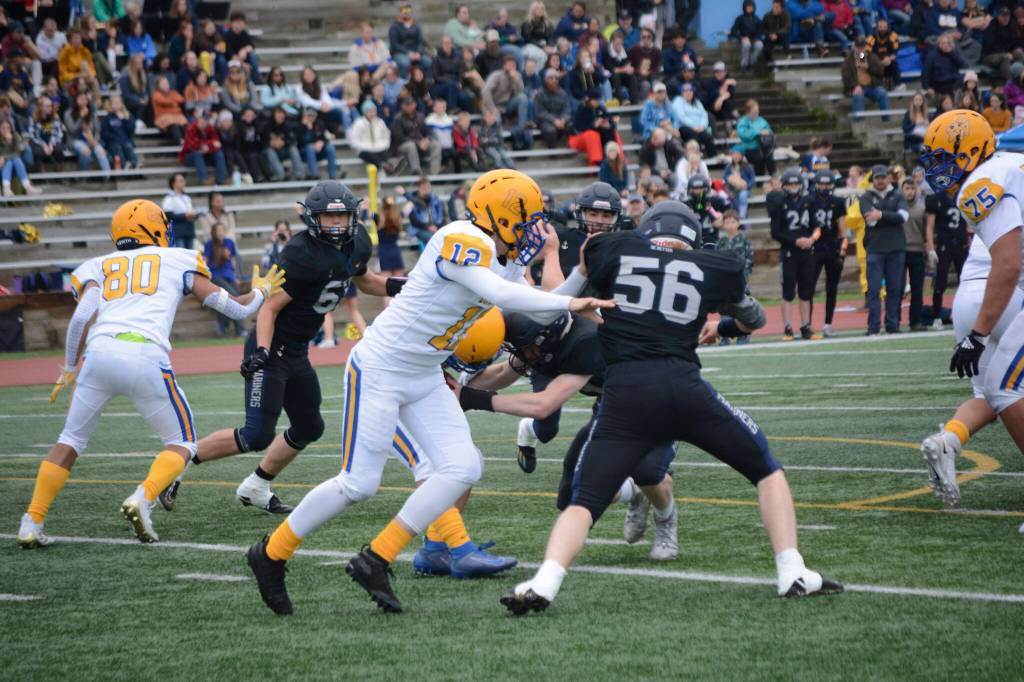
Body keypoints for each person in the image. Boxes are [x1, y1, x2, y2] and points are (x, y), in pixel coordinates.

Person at [244, 170, 613, 615]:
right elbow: (503, 294)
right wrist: (573, 301)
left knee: (463, 466)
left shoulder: (499, 254)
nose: (534, 227)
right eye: (527, 217)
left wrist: (575, 281)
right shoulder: (459, 237)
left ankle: (376, 557)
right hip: (380, 367)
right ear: (500, 212)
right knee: (358, 483)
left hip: (422, 373)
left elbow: (527, 303)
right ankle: (270, 553)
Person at [500, 200, 842, 615]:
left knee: (584, 500)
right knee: (766, 469)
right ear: (693, 237)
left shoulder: (614, 248)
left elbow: (563, 298)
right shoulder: (714, 263)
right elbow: (752, 317)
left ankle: (545, 581)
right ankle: (792, 570)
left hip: (624, 395)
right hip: (684, 389)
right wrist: (727, 322)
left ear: (647, 230)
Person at [15, 199, 282, 549]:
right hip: (144, 354)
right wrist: (261, 291)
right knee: (183, 443)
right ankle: (143, 498)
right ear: (153, 228)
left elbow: (81, 318)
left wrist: (69, 367)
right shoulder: (177, 259)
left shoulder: (99, 265)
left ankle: (31, 522)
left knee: (70, 441)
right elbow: (235, 308)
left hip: (97, 354)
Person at [162, 182, 393, 516]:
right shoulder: (301, 253)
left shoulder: (357, 243)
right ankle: (175, 465)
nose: (338, 224)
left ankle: (256, 485)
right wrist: (262, 352)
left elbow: (366, 279)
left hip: (297, 351)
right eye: (330, 218)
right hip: (270, 349)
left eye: (343, 216)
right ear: (314, 220)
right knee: (256, 433)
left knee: (310, 426)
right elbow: (269, 309)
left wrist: (403, 286)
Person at [461, 309, 680, 559]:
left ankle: (666, 519)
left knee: (648, 471)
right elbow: (502, 373)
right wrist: (457, 387)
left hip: (658, 395)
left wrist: (473, 399)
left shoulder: (585, 341)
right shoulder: (541, 346)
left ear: (548, 335)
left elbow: (544, 405)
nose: (527, 354)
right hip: (613, 406)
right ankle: (636, 492)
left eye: (529, 347)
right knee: (572, 496)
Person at [918, 110, 1024, 517]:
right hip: (998, 291)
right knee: (1003, 387)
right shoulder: (1003, 166)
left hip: (987, 291)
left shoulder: (980, 183)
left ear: (974, 151)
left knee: (1003, 388)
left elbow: (1009, 265)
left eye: (948, 158)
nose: (940, 169)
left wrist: (977, 335)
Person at [772, 168, 822, 340]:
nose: (793, 186)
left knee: (806, 291)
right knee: (788, 291)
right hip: (789, 253)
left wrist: (812, 239)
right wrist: (794, 241)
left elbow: (817, 228)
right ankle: (787, 327)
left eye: (796, 183)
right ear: (784, 185)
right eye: (790, 184)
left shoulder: (809, 201)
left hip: (807, 252)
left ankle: (806, 326)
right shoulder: (779, 203)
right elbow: (775, 232)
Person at [860, 164, 909, 335]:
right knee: (873, 289)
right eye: (877, 178)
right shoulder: (866, 197)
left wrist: (881, 214)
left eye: (883, 177)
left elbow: (903, 217)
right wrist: (890, 216)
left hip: (896, 248)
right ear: (872, 179)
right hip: (875, 248)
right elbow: (870, 220)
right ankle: (873, 326)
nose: (880, 180)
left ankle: (892, 324)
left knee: (895, 288)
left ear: (888, 178)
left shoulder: (897, 195)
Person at [810, 171, 848, 337]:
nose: (824, 187)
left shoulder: (838, 202)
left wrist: (842, 251)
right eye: (821, 184)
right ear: (816, 184)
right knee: (808, 289)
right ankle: (807, 324)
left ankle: (828, 324)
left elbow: (842, 230)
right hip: (814, 249)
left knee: (832, 289)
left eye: (827, 184)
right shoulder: (809, 201)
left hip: (832, 248)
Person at [925, 185, 968, 330]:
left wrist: (970, 241)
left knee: (966, 282)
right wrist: (931, 248)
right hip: (945, 244)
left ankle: (963, 316)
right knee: (940, 282)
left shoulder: (963, 195)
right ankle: (937, 317)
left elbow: (967, 222)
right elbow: (930, 226)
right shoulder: (936, 199)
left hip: (961, 244)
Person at [204, 221, 245, 336]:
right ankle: (239, 330)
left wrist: (235, 276)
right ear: (214, 232)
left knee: (230, 299)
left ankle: (224, 325)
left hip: (229, 275)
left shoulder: (229, 242)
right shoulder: (210, 244)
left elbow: (233, 261)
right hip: (216, 276)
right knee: (234, 297)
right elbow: (205, 261)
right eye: (219, 230)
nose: (221, 232)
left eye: (223, 230)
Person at [389, 97, 442, 176]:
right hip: (402, 145)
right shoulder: (398, 119)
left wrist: (427, 139)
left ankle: (435, 173)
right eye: (407, 105)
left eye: (411, 104)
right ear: (403, 106)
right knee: (411, 145)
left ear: (415, 105)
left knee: (436, 144)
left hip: (421, 143)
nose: (409, 107)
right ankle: (416, 172)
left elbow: (429, 131)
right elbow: (399, 137)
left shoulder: (420, 116)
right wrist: (418, 142)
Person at [901, 177, 928, 331]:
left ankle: (915, 321)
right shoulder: (897, 208)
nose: (910, 192)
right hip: (900, 252)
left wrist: (928, 249)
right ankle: (893, 321)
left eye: (912, 188)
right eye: (907, 188)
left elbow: (927, 231)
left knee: (917, 289)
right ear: (902, 190)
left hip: (917, 251)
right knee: (897, 288)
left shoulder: (922, 208)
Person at [64, 92, 111, 173]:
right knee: (85, 151)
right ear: (76, 100)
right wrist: (81, 118)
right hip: (75, 140)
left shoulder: (92, 114)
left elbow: (97, 131)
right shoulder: (68, 113)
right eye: (81, 99)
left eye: (85, 99)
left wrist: (94, 142)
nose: (83, 102)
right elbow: (72, 131)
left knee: (101, 152)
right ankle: (84, 175)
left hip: (91, 139)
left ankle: (108, 176)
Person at [842, 36, 890, 115]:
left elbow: (880, 71)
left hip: (872, 86)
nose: (860, 49)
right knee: (858, 95)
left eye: (862, 47)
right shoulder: (848, 60)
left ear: (865, 47)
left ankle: (886, 120)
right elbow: (846, 78)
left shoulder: (871, 56)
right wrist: (855, 86)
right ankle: (859, 123)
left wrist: (868, 68)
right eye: (858, 47)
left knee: (883, 94)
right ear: (854, 47)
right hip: (856, 87)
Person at [180, 110, 227, 186]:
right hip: (189, 157)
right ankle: (204, 180)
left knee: (219, 153)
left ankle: (222, 179)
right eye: (203, 119)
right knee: (197, 154)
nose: (205, 121)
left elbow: (217, 144)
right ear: (198, 119)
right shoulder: (191, 128)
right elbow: (192, 145)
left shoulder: (210, 128)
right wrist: (208, 145)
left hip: (205, 155)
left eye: (207, 119)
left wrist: (208, 147)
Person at [483, 54, 529, 131]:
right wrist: (492, 108)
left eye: (513, 65)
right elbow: (486, 91)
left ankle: (522, 128)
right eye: (509, 64)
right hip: (493, 105)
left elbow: (520, 92)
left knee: (523, 98)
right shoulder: (496, 75)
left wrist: (516, 80)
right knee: (496, 123)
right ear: (504, 66)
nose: (511, 67)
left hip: (506, 106)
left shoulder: (517, 76)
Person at [670, 82, 716, 156]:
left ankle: (713, 157)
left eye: (690, 90)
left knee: (708, 137)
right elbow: (681, 117)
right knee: (694, 135)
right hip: (683, 127)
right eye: (685, 91)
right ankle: (695, 156)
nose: (688, 93)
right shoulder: (677, 101)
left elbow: (704, 115)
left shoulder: (697, 102)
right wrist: (694, 126)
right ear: (682, 93)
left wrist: (702, 126)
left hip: (699, 127)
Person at [260, 106, 305, 182]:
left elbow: (293, 140)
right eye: (278, 113)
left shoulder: (287, 126)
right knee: (270, 151)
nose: (280, 116)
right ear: (274, 114)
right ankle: (280, 176)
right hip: (269, 153)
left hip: (283, 151)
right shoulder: (266, 126)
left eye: (282, 113)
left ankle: (299, 174)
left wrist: (284, 142)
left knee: (293, 149)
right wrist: (270, 143)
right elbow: (260, 142)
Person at [298, 107, 340, 180]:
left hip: (318, 152)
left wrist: (322, 142)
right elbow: (301, 142)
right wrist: (309, 129)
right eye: (308, 115)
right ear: (304, 116)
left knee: (330, 147)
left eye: (312, 115)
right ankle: (314, 175)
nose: (311, 117)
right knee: (310, 147)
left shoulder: (319, 123)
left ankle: (332, 175)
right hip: (304, 154)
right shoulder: (299, 126)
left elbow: (325, 137)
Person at [389, 4, 431, 78]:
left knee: (428, 62)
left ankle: (428, 85)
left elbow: (420, 41)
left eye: (408, 10)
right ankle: (404, 85)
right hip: (400, 53)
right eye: (404, 11)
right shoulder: (394, 27)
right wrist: (408, 53)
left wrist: (418, 52)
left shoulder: (416, 25)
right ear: (400, 13)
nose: (406, 13)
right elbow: (394, 45)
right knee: (405, 63)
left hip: (416, 52)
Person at [735, 98, 775, 175]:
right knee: (759, 158)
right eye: (754, 112)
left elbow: (769, 131)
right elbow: (744, 135)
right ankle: (759, 179)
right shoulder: (743, 122)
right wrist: (758, 132)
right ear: (748, 111)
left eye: (757, 112)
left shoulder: (761, 120)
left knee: (769, 156)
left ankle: (773, 177)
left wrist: (767, 132)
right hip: (749, 149)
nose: (756, 114)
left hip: (763, 147)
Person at [0, 119, 40, 195]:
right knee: (11, 160)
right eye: (3, 128)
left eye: (8, 127)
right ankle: (27, 187)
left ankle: (7, 188)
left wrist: (10, 142)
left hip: (12, 163)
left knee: (13, 160)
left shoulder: (15, 135)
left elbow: (18, 151)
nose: (6, 130)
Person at [534, 67, 571, 148]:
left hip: (561, 119)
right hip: (546, 121)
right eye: (551, 78)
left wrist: (563, 119)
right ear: (545, 80)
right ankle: (552, 150)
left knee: (572, 125)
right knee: (550, 130)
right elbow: (540, 113)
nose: (554, 80)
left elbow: (567, 109)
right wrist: (554, 120)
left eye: (556, 78)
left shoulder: (563, 93)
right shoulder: (540, 94)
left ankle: (571, 147)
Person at [349, 101, 392, 171]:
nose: (372, 113)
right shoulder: (358, 123)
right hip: (364, 150)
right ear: (365, 112)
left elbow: (386, 136)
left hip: (379, 148)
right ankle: (381, 170)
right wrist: (368, 147)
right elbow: (354, 141)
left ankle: (388, 168)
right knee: (373, 157)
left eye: (373, 111)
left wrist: (384, 145)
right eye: (369, 111)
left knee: (385, 155)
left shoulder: (380, 122)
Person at [100, 94, 138, 170]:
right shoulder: (106, 118)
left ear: (122, 104)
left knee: (128, 146)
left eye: (118, 103)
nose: (116, 105)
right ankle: (124, 166)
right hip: (113, 143)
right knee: (117, 147)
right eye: (114, 103)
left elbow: (131, 131)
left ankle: (134, 165)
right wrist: (116, 139)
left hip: (126, 142)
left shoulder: (127, 116)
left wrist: (124, 120)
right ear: (111, 105)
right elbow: (104, 134)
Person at [408, 176, 447, 250]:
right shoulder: (413, 201)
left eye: (428, 187)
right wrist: (428, 227)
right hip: (419, 229)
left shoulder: (436, 200)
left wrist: (437, 226)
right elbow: (414, 221)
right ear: (419, 188)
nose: (426, 190)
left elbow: (443, 216)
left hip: (436, 227)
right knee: (432, 239)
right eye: (424, 188)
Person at [162, 173, 199, 249]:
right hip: (178, 232)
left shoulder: (187, 197)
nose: (183, 183)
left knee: (189, 254)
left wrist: (194, 216)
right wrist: (185, 216)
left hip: (189, 230)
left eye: (183, 181)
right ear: (173, 184)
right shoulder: (169, 199)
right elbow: (168, 216)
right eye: (180, 181)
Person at [27, 96, 65, 169]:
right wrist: (44, 145)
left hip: (52, 141)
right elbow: (33, 135)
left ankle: (59, 171)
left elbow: (58, 133)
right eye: (47, 106)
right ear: (41, 107)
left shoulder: (55, 117)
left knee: (59, 149)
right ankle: (39, 172)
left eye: (51, 106)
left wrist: (51, 144)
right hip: (38, 142)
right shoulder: (33, 118)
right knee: (38, 151)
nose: (50, 108)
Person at [224, 12, 259, 83]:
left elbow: (251, 46)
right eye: (237, 22)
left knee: (253, 56)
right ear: (232, 23)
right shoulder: (227, 36)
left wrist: (244, 50)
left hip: (243, 59)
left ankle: (255, 81)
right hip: (230, 61)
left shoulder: (244, 34)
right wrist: (243, 64)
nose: (240, 24)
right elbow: (230, 55)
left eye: (242, 22)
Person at [865, 18, 900, 88]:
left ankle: (898, 85)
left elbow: (895, 52)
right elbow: (862, 52)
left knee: (895, 63)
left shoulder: (893, 36)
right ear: (877, 28)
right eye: (880, 27)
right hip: (875, 64)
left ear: (888, 27)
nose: (882, 29)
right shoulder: (871, 38)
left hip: (888, 62)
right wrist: (861, 61)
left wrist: (889, 59)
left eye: (884, 27)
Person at [376, 195, 405, 279]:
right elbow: (410, 204)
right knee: (399, 284)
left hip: (383, 252)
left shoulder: (378, 218)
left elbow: (365, 215)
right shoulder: (398, 217)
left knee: (385, 285)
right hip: (395, 250)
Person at [152, 76, 187, 144]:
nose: (166, 85)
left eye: (167, 83)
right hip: (164, 119)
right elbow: (163, 101)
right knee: (174, 126)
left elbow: (181, 99)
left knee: (184, 126)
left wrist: (172, 101)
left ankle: (188, 141)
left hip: (177, 117)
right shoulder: (156, 94)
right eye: (163, 84)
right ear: (158, 85)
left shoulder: (172, 92)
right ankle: (179, 141)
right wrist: (173, 102)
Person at [731, 0, 764, 71]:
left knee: (760, 45)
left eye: (751, 7)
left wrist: (757, 38)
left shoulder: (757, 19)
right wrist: (741, 37)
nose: (750, 9)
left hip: (755, 39)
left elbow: (760, 31)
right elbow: (733, 31)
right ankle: (744, 65)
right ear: (744, 8)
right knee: (747, 45)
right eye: (748, 7)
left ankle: (752, 62)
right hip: (744, 39)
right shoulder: (740, 18)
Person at [762, 0, 792, 65]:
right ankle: (770, 63)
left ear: (782, 8)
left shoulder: (786, 15)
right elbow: (763, 29)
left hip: (782, 37)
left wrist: (776, 33)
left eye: (777, 7)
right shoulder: (767, 16)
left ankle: (787, 54)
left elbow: (787, 28)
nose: (774, 9)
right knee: (766, 47)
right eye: (773, 7)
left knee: (784, 35)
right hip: (771, 37)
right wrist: (770, 34)